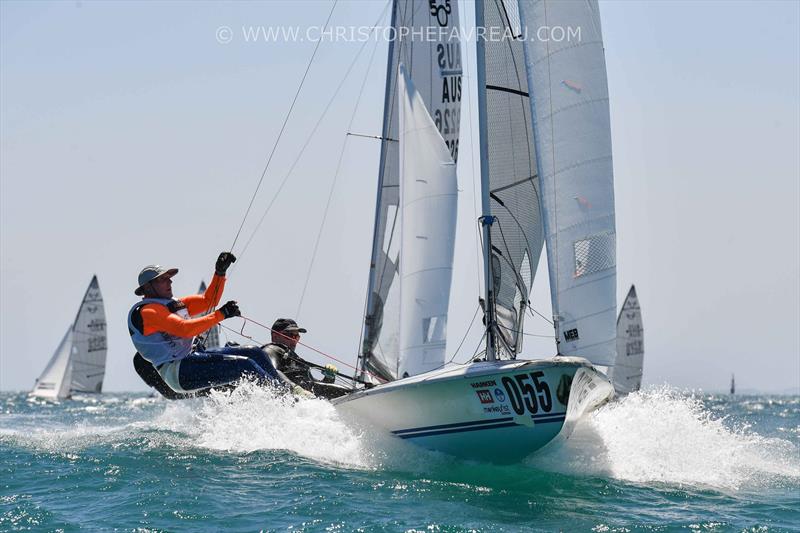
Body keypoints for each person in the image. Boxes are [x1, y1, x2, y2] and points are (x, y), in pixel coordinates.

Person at [128, 252, 292, 397]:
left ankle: (287, 392)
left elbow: (209, 301)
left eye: (169, 278)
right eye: (163, 280)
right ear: (148, 287)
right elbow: (184, 329)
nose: (169, 282)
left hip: (194, 357)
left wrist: (219, 273)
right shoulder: (147, 312)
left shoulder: (171, 304)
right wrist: (221, 314)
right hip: (179, 371)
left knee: (256, 353)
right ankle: (282, 400)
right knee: (246, 366)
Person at [263, 318, 347, 398]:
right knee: (349, 393)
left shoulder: (296, 360)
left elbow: (315, 385)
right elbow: (271, 370)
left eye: (296, 337)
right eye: (289, 335)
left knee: (350, 392)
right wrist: (295, 389)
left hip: (310, 400)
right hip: (293, 398)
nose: (293, 340)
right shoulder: (272, 349)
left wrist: (328, 378)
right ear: (275, 336)